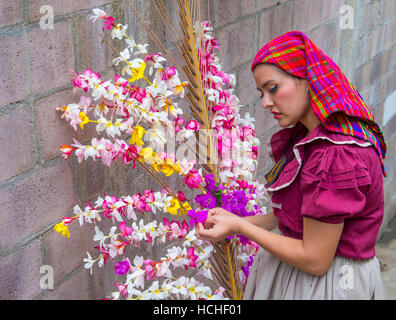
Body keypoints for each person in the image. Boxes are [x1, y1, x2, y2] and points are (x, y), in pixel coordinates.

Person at [195, 31, 387, 300]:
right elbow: (292, 215)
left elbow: (315, 259)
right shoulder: (315, 139)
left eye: (273, 88)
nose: (265, 102)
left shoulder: (336, 155)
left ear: (309, 80)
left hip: (326, 286)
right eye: (262, 92)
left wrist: (241, 228)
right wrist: (233, 221)